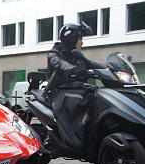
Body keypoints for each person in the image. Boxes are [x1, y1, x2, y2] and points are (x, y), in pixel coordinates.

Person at [45, 22, 105, 151]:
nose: (82, 42)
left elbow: (91, 63)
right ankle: (74, 137)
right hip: (58, 91)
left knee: (96, 92)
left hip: (73, 89)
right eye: (80, 39)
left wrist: (111, 68)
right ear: (72, 40)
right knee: (89, 94)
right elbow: (58, 63)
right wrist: (72, 69)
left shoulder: (76, 54)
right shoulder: (54, 53)